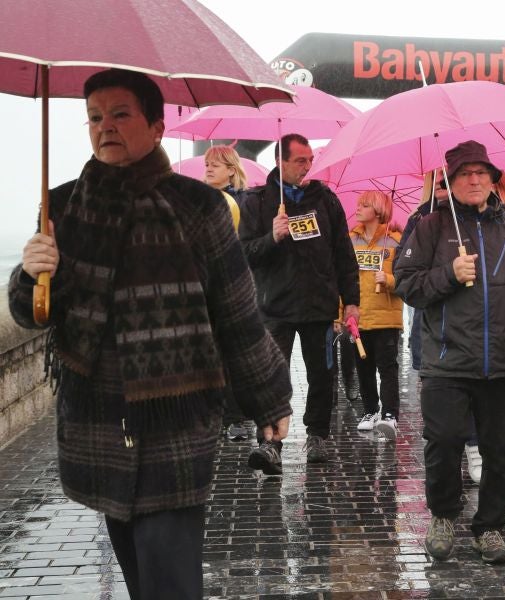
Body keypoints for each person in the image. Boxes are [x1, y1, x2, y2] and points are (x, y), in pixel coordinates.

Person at [7, 69, 293, 599]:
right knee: (141, 576)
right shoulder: (63, 207)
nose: (105, 127)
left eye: (121, 114)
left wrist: (269, 398)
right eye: (95, 117)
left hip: (176, 419)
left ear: (157, 126)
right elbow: (32, 314)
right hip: (99, 417)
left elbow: (236, 312)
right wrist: (31, 273)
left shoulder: (198, 207)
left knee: (168, 575)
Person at [394, 140, 505, 564]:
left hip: (504, 362)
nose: (474, 180)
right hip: (447, 361)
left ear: (493, 180)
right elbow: (408, 285)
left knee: (501, 451)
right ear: (450, 181)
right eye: (464, 174)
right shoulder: (430, 227)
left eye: (481, 173)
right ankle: (443, 514)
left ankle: (491, 525)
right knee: (444, 441)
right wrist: (448, 274)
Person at [239, 133, 360, 467]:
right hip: (274, 308)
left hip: (318, 306)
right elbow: (243, 253)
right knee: (271, 378)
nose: (308, 166)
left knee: (322, 375)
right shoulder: (257, 202)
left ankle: (317, 435)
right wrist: (271, 237)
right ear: (280, 161)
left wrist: (351, 301)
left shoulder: (325, 200)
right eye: (300, 161)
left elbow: (344, 254)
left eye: (310, 160)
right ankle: (269, 443)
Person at [399, 169, 484, 484]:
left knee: (472, 389)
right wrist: (447, 272)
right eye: (437, 182)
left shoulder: (480, 218)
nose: (442, 188)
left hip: (474, 323)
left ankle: (474, 445)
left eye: (447, 181)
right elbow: (405, 274)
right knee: (440, 401)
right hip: (434, 326)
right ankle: (446, 453)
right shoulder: (421, 219)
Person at [203, 144, 251, 440]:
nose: (208, 169)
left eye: (215, 165)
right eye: (207, 165)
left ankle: (235, 417)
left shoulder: (246, 203)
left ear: (231, 170)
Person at [349, 191, 403, 440]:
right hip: (359, 317)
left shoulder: (395, 242)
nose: (358, 208)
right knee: (363, 368)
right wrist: (340, 315)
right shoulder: (351, 240)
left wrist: (389, 280)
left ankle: (390, 414)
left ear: (379, 211)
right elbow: (344, 278)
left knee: (387, 367)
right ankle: (370, 410)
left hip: (386, 319)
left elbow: (407, 279)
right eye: (359, 204)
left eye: (365, 205)